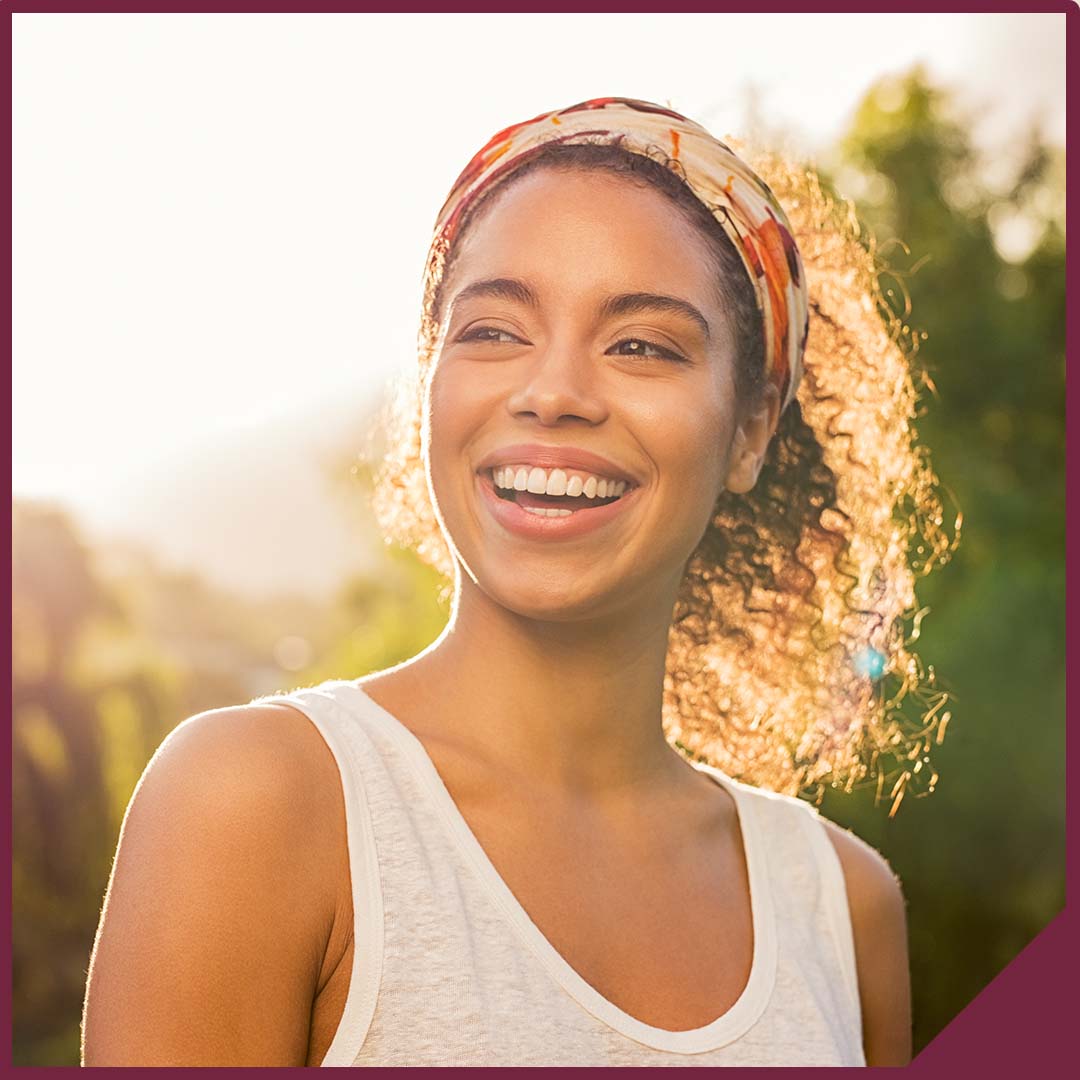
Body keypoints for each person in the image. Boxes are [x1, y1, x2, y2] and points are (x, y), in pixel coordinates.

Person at [82, 96, 952, 1066]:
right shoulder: (256, 803)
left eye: (642, 345)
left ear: (749, 429)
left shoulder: (840, 905)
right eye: (494, 331)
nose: (553, 393)